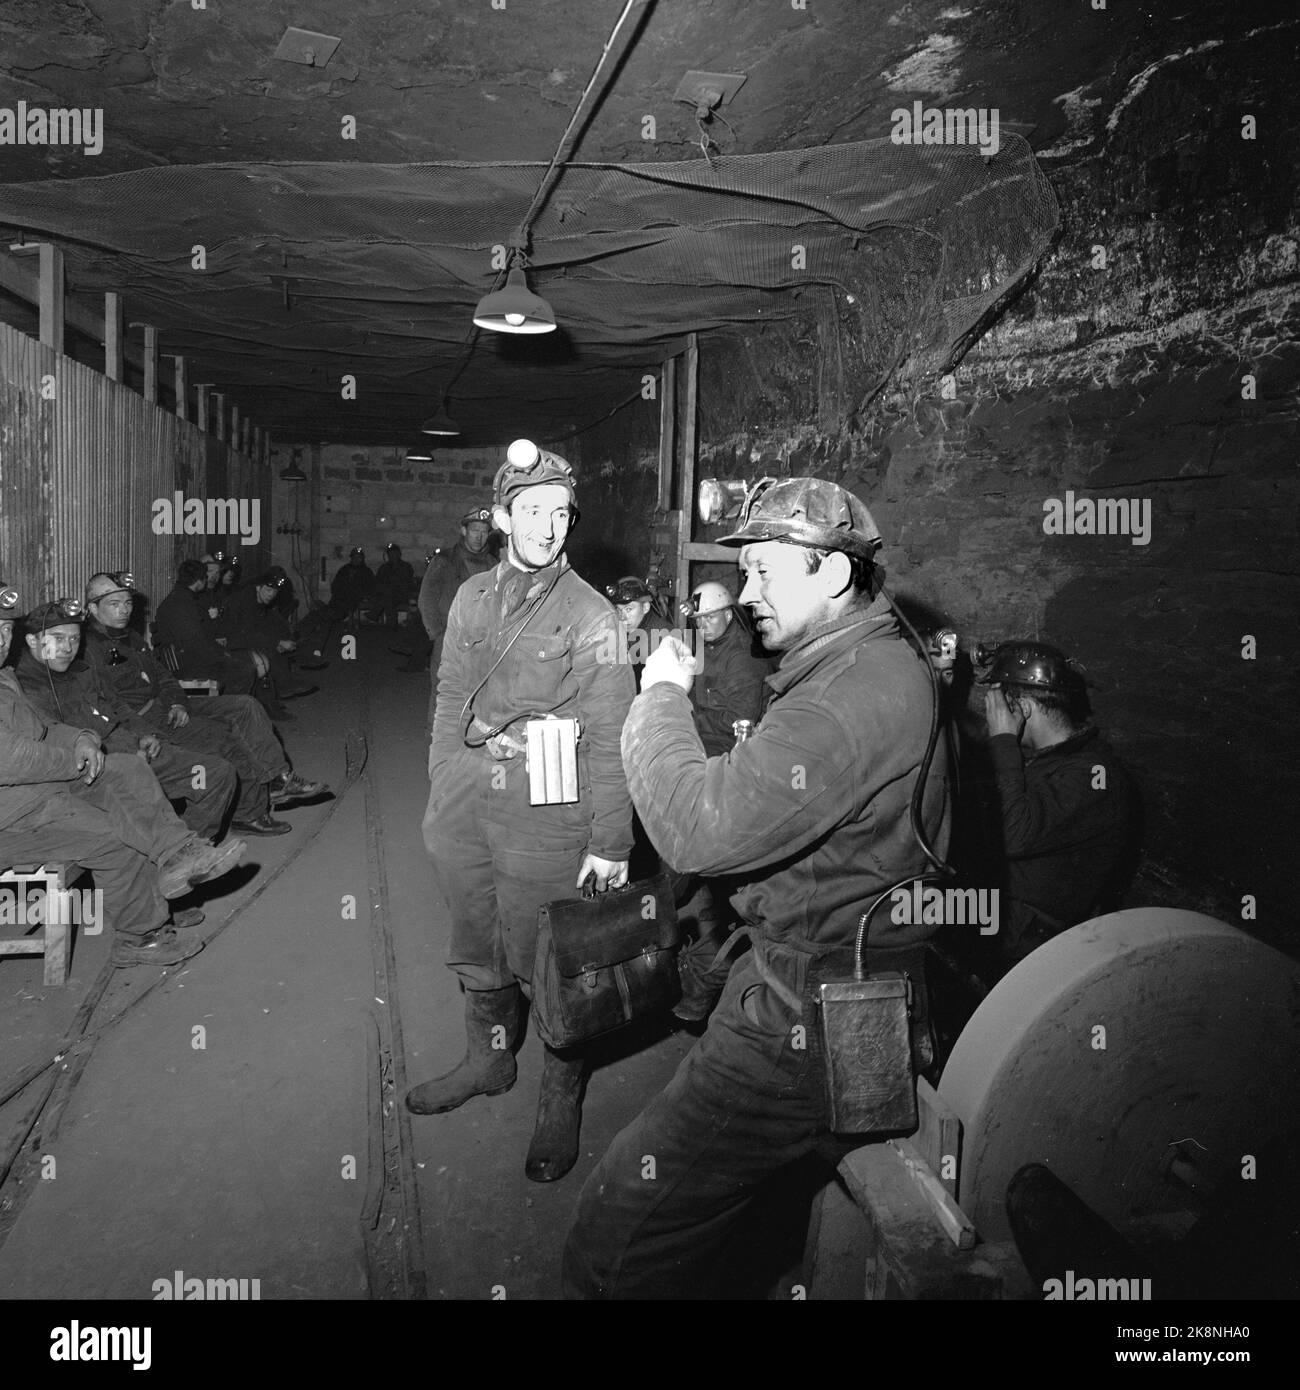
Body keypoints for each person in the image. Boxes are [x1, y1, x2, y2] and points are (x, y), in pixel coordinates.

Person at [562, 476, 951, 1298]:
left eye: (768, 571)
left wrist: (661, 693)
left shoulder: (850, 697)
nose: (746, 593)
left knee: (617, 1237)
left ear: (833, 574)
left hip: (803, 1012)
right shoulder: (865, 661)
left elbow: (698, 828)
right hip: (830, 979)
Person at [405, 440, 635, 1185]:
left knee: (551, 955)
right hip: (470, 794)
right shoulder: (471, 597)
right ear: (503, 517)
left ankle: (559, 1098)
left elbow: (610, 736)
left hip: (549, 803)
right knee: (477, 937)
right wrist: (445, 775)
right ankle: (489, 1062)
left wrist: (611, 840)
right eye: (532, 510)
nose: (548, 526)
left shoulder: (594, 615)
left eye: (561, 512)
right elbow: (449, 695)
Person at [0, 586, 247, 968]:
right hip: (12, 818)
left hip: (38, 796)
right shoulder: (21, 679)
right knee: (116, 835)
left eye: (4, 630)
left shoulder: (4, 679)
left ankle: (178, 855)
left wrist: (82, 739)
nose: (1, 641)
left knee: (129, 768)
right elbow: (12, 758)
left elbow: (44, 727)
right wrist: (77, 761)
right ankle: (139, 937)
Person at [81, 572, 328, 837]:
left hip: (168, 705)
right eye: (114, 604)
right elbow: (110, 705)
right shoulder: (88, 648)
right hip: (146, 721)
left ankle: (279, 778)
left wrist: (178, 703)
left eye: (127, 603)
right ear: (93, 608)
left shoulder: (130, 637)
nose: (124, 610)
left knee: (245, 705)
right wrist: (144, 731)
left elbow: (162, 675)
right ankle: (250, 814)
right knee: (223, 736)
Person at [15, 599, 237, 844]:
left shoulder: (82, 670)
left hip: (136, 749)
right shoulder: (21, 689)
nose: (67, 647)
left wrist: (145, 734)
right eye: (57, 638)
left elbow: (117, 706)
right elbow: (53, 747)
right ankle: (176, 854)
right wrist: (127, 763)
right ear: (32, 640)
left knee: (215, 774)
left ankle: (189, 851)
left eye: (74, 639)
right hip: (99, 774)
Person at [977, 640, 1137, 979]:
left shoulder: (1095, 778)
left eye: (998, 707)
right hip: (1004, 919)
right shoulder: (1051, 760)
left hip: (1035, 947)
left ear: (1022, 707)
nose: (992, 717)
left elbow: (1013, 835)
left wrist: (1003, 740)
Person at [399, 508, 496, 684]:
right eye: (475, 531)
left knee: (475, 695)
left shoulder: (493, 564)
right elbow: (426, 599)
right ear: (464, 531)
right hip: (449, 638)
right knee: (443, 696)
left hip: (481, 642)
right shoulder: (445, 560)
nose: (479, 537)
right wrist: (437, 634)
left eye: (484, 532)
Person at [682, 579, 777, 755]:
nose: (702, 626)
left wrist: (693, 720)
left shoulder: (744, 656)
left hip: (734, 743)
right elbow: (696, 693)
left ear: (728, 615)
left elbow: (738, 720)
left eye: (710, 617)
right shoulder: (707, 644)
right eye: (698, 620)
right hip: (706, 734)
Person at [155, 560, 266, 695]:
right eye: (206, 576)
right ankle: (230, 710)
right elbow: (195, 643)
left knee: (241, 662)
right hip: (188, 666)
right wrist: (222, 655)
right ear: (199, 580)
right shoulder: (184, 604)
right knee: (245, 669)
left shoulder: (179, 598)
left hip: (184, 658)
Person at [607, 576, 673, 683]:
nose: (622, 617)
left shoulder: (663, 638)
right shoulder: (629, 632)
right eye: (618, 610)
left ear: (646, 607)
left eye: (628, 609)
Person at [369, 543, 415, 626]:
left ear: (399, 554)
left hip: (401, 594)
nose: (392, 555)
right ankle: (391, 626)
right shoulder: (384, 567)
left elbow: (405, 582)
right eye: (390, 554)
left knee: (388, 596)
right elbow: (378, 581)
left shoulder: (406, 566)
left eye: (394, 553)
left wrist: (391, 586)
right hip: (387, 595)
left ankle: (374, 614)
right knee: (388, 600)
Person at [329, 548, 374, 626]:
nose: (356, 559)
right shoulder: (344, 569)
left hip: (356, 596)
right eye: (354, 557)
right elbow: (335, 584)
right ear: (351, 558)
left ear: (362, 559)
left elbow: (370, 586)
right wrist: (338, 592)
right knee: (334, 605)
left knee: (347, 604)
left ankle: (338, 617)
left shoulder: (367, 572)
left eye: (359, 557)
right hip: (341, 596)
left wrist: (364, 595)